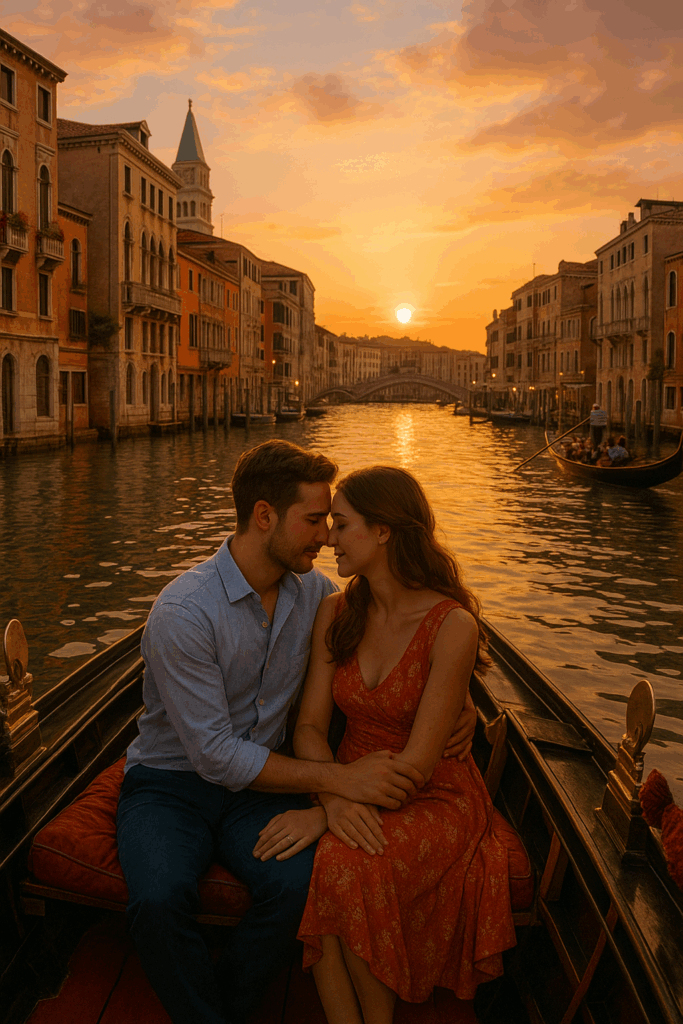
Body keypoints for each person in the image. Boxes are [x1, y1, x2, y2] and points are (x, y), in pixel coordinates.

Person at [116, 440, 475, 1024]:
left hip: (262, 785)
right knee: (158, 900)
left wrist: (465, 704)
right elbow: (215, 756)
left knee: (297, 887)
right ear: (265, 516)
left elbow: (404, 632)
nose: (326, 537)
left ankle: (227, 1007)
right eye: (314, 520)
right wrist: (338, 784)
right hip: (171, 784)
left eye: (333, 522)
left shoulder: (317, 596)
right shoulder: (184, 612)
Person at [254, 466, 516, 1024]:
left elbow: (416, 767)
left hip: (432, 794)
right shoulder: (336, 611)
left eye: (341, 524)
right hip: (348, 782)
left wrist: (324, 816)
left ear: (383, 531)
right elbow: (309, 727)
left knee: (346, 863)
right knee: (336, 862)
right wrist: (334, 798)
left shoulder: (452, 626)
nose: (328, 537)